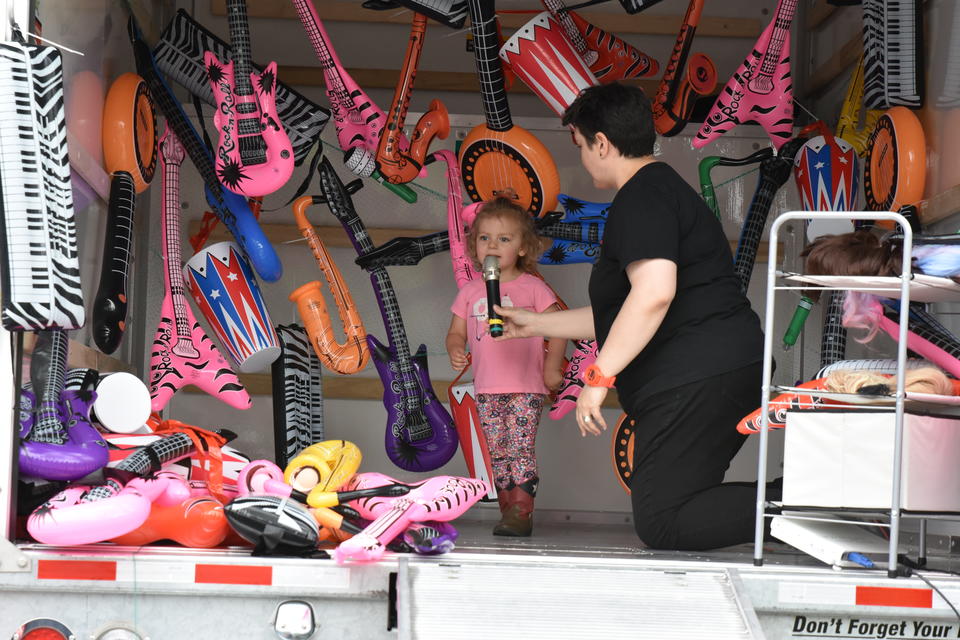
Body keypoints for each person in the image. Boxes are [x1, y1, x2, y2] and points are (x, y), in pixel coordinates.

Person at [494, 82, 781, 551]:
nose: (583, 158)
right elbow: (624, 312)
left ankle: (805, 503)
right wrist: (536, 324)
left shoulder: (642, 197)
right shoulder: (657, 192)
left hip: (702, 374)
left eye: (581, 145)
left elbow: (652, 296)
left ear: (602, 143)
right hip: (718, 369)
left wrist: (598, 377)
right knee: (672, 510)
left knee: (664, 522)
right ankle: (802, 503)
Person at [446, 197, 566, 537]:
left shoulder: (533, 287)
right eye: (484, 238)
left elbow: (559, 328)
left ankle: (521, 512)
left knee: (519, 447)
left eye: (504, 239)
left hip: (526, 385)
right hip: (486, 387)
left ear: (524, 248)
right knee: (497, 452)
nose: (493, 246)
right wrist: (457, 349)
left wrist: (552, 368)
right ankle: (507, 509)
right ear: (474, 245)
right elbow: (455, 333)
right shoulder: (471, 291)